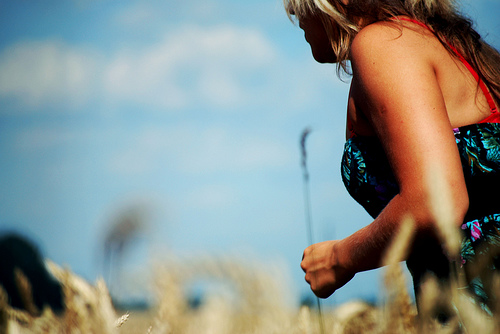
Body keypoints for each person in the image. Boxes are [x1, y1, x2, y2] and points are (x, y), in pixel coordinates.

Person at [285, 0, 500, 316]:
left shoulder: (384, 43)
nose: (293, 13)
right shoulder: (465, 51)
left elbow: (434, 201)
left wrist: (339, 258)